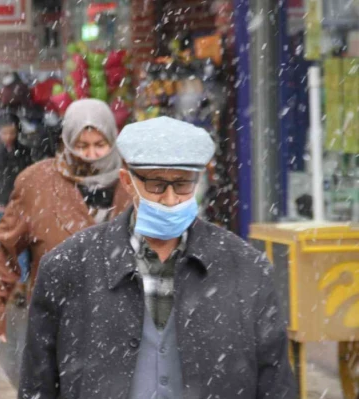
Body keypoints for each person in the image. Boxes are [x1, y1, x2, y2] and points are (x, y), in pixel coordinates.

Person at [19, 116, 297, 398]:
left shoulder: (247, 269)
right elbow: (38, 383)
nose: (170, 199)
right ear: (128, 182)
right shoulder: (68, 267)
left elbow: (276, 383)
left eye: (183, 185)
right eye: (156, 185)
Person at [0, 99, 131, 341]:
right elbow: (3, 248)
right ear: (67, 142)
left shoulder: (132, 183)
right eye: (81, 144)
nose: (90, 154)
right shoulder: (38, 183)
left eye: (100, 144)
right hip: (56, 329)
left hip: (122, 330)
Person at [0, 112, 33, 304]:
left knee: (21, 245)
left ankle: (21, 284)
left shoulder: (24, 152)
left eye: (11, 132)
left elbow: (29, 173)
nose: (8, 137)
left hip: (19, 204)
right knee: (3, 244)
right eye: (4, 133)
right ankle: (6, 281)